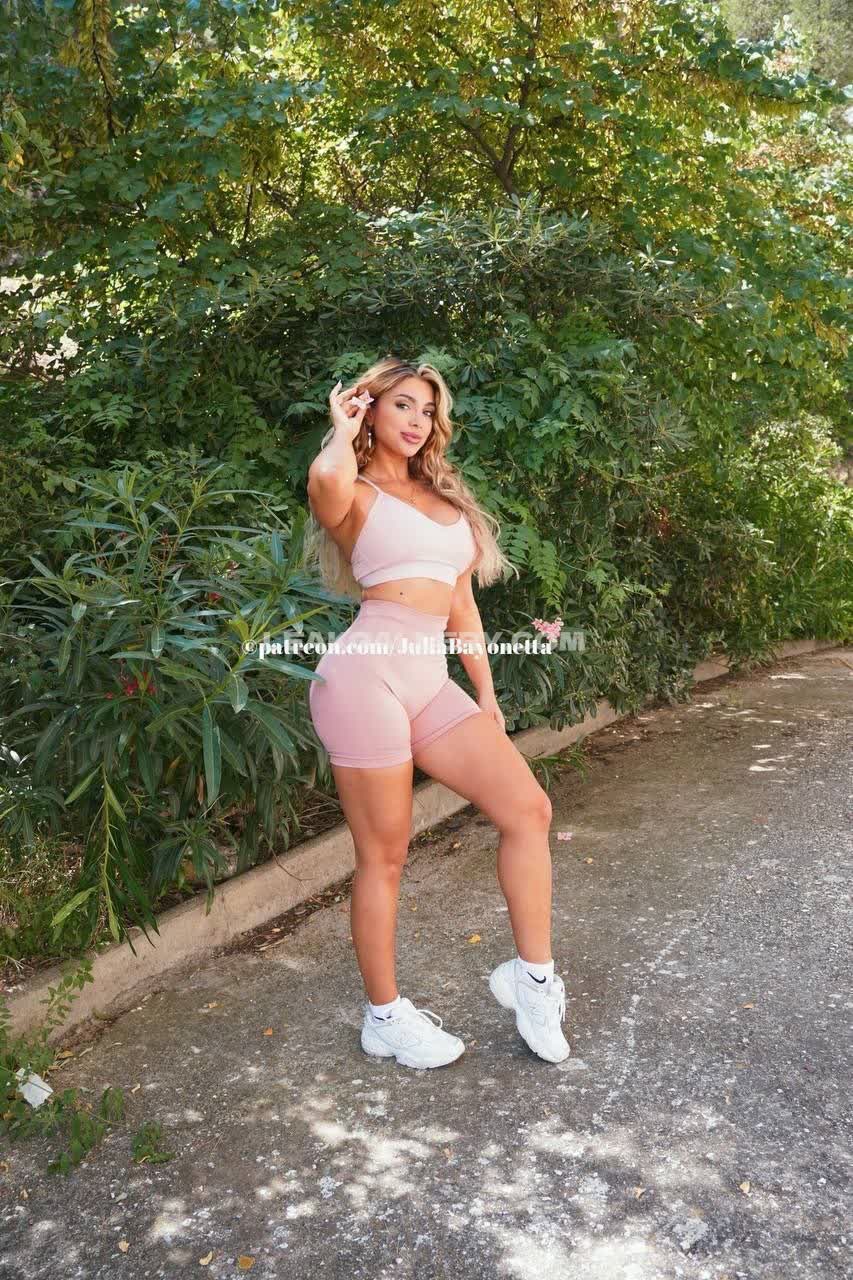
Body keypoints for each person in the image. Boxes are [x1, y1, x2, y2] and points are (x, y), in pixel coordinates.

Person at [303, 356, 570, 1068]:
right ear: (369, 409)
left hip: (428, 679)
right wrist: (343, 430)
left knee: (528, 810)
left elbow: (462, 606)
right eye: (401, 405)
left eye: (427, 409)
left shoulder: (445, 499)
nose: (417, 420)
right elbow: (324, 480)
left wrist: (485, 694)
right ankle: (384, 1016)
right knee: (384, 855)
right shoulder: (353, 490)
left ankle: (532, 981)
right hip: (364, 679)